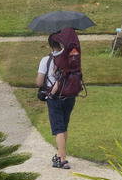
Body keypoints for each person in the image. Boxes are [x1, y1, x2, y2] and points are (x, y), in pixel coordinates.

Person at [36, 27, 85, 169]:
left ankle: (63, 159)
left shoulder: (47, 60)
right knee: (64, 126)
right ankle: (59, 154)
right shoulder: (70, 56)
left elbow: (39, 82)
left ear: (50, 45)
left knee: (58, 129)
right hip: (70, 95)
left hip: (55, 97)